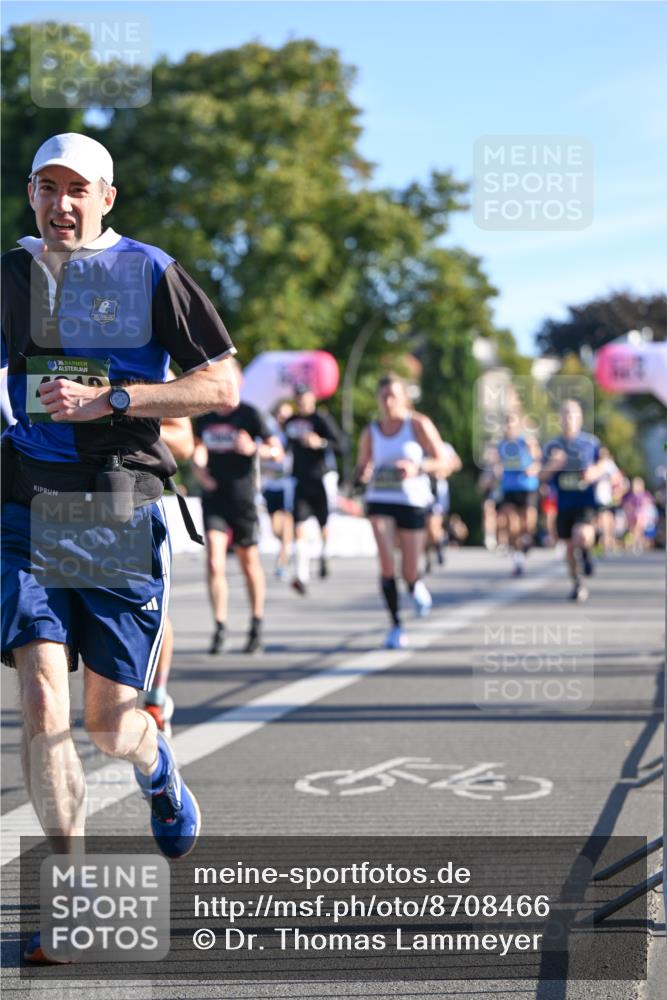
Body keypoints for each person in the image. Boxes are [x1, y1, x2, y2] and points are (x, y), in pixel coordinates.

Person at [1, 133, 239, 962]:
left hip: (116, 507)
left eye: (78, 189)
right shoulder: (11, 272)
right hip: (23, 509)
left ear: (107, 196)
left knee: (109, 726)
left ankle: (157, 766)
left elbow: (221, 382)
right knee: (39, 697)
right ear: (30, 193)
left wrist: (117, 397)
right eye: (45, 187)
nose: (60, 203)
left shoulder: (149, 270)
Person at [192, 360, 284, 655]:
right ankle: (220, 627)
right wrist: (199, 468)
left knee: (248, 563)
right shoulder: (204, 416)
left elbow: (277, 452)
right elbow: (197, 447)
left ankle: (256, 624)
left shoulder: (250, 415)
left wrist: (255, 448)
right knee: (214, 562)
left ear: (238, 381)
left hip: (243, 498)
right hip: (214, 496)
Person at [356, 373, 451, 649]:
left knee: (410, 569)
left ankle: (414, 584)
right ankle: (396, 624)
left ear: (404, 398)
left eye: (393, 396)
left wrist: (416, 467)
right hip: (380, 498)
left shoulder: (418, 424)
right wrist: (365, 472)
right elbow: (362, 467)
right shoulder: (370, 430)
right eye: (383, 396)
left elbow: (443, 461)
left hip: (412, 501)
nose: (387, 402)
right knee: (387, 564)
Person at [143, 371, 196, 736]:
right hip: (46, 503)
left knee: (152, 611)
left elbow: (184, 441)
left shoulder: (150, 359)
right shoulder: (34, 340)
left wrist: (117, 416)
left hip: (130, 501)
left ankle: (156, 699)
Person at [541, 399, 606, 601]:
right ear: (559, 419)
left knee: (582, 535)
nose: (568, 418)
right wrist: (553, 465)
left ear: (580, 419)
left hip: (585, 501)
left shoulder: (590, 443)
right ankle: (577, 583)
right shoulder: (552, 445)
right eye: (565, 414)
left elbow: (605, 462)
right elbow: (540, 476)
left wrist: (594, 472)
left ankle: (587, 553)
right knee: (569, 548)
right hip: (564, 503)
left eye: (573, 414)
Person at [284, 383, 344, 594]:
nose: (301, 400)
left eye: (305, 396)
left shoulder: (321, 419)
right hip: (299, 480)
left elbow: (341, 445)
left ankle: (325, 554)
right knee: (298, 526)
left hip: (320, 479)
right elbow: (285, 447)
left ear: (313, 398)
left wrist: (320, 443)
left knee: (323, 524)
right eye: (298, 397)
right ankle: (301, 575)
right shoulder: (290, 422)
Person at [494, 412, 541, 576]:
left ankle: (527, 539)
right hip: (509, 487)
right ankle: (518, 559)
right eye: (507, 423)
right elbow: (496, 463)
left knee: (527, 524)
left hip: (527, 486)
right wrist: (495, 470)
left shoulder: (526, 441)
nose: (509, 426)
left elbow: (538, 459)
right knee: (512, 525)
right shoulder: (501, 445)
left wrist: (533, 467)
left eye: (512, 423)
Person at [261, 400, 295, 579]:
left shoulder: (293, 435)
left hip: (287, 484)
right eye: (281, 414)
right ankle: (286, 546)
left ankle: (282, 560)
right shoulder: (269, 434)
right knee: (275, 528)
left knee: (285, 521)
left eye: (287, 415)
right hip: (270, 483)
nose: (284, 418)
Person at [424, 440, 462, 572]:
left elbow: (457, 463)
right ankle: (428, 555)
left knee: (433, 523)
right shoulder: (418, 445)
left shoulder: (444, 447)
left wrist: (445, 470)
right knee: (424, 527)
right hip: (420, 489)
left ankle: (439, 545)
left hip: (438, 490)